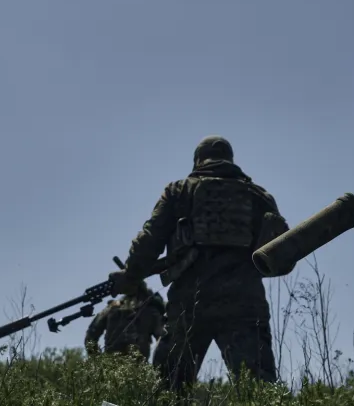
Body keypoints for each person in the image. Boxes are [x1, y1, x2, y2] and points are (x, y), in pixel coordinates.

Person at [109, 136, 291, 394]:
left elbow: (149, 240)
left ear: (197, 160)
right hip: (244, 302)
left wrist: (130, 275)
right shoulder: (259, 196)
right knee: (258, 389)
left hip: (189, 301)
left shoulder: (179, 191)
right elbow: (281, 252)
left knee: (169, 390)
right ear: (230, 160)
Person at [84, 278, 165, 361]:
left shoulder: (112, 308)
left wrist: (98, 362)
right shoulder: (151, 309)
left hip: (115, 366)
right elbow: (162, 338)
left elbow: (91, 335)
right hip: (135, 368)